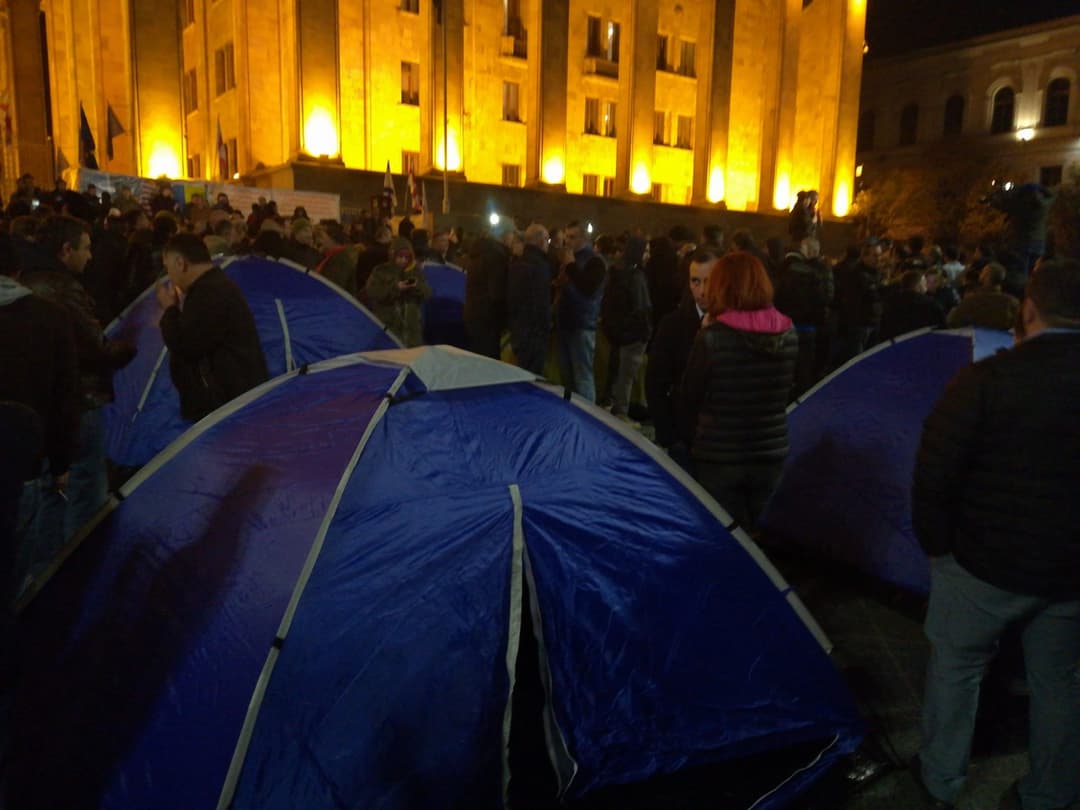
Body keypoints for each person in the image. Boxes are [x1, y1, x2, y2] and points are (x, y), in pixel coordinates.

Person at [912, 258, 1080, 810]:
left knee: (957, 668)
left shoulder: (985, 380)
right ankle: (1052, 791)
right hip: (1068, 574)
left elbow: (936, 470)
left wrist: (939, 548)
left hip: (983, 564)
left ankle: (941, 778)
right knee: (1058, 682)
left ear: (1028, 310)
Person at [20, 215, 135, 542]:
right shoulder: (61, 288)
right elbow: (95, 347)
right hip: (79, 401)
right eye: (85, 249)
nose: (91, 256)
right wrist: (129, 346)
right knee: (85, 492)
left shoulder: (25, 282)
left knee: (49, 494)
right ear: (65, 250)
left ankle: (44, 571)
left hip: (41, 403)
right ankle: (79, 569)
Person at [681, 252, 797, 530]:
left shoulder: (713, 337)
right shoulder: (789, 333)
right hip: (770, 453)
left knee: (725, 538)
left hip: (719, 455)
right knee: (763, 538)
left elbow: (689, 396)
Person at [157, 234, 269, 422]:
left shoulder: (209, 294)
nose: (170, 276)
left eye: (168, 268)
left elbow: (185, 344)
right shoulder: (213, 287)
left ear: (180, 263)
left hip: (225, 407)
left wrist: (169, 309)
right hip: (229, 400)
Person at [646, 249, 715, 463]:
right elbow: (655, 381)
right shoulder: (673, 324)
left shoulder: (734, 324)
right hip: (684, 436)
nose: (702, 290)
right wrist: (669, 436)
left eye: (708, 281)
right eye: (695, 281)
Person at [364, 237, 432, 348]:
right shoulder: (380, 271)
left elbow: (427, 293)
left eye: (406, 257)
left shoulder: (416, 272)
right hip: (389, 327)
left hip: (411, 329)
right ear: (392, 255)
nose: (403, 260)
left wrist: (416, 287)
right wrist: (396, 288)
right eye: (400, 257)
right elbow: (372, 292)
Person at [506, 224, 553, 376]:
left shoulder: (518, 263)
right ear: (540, 241)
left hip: (519, 329)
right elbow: (541, 302)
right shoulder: (539, 266)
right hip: (535, 333)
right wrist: (547, 326)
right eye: (547, 240)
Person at [946, 262, 1020, 331]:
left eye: (982, 272)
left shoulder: (971, 299)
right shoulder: (1012, 302)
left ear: (985, 276)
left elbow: (954, 321)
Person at [877, 270, 946, 342]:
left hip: (897, 346)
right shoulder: (931, 304)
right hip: (922, 344)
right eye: (924, 283)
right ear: (919, 286)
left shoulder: (891, 302)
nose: (926, 285)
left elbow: (883, 330)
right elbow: (942, 330)